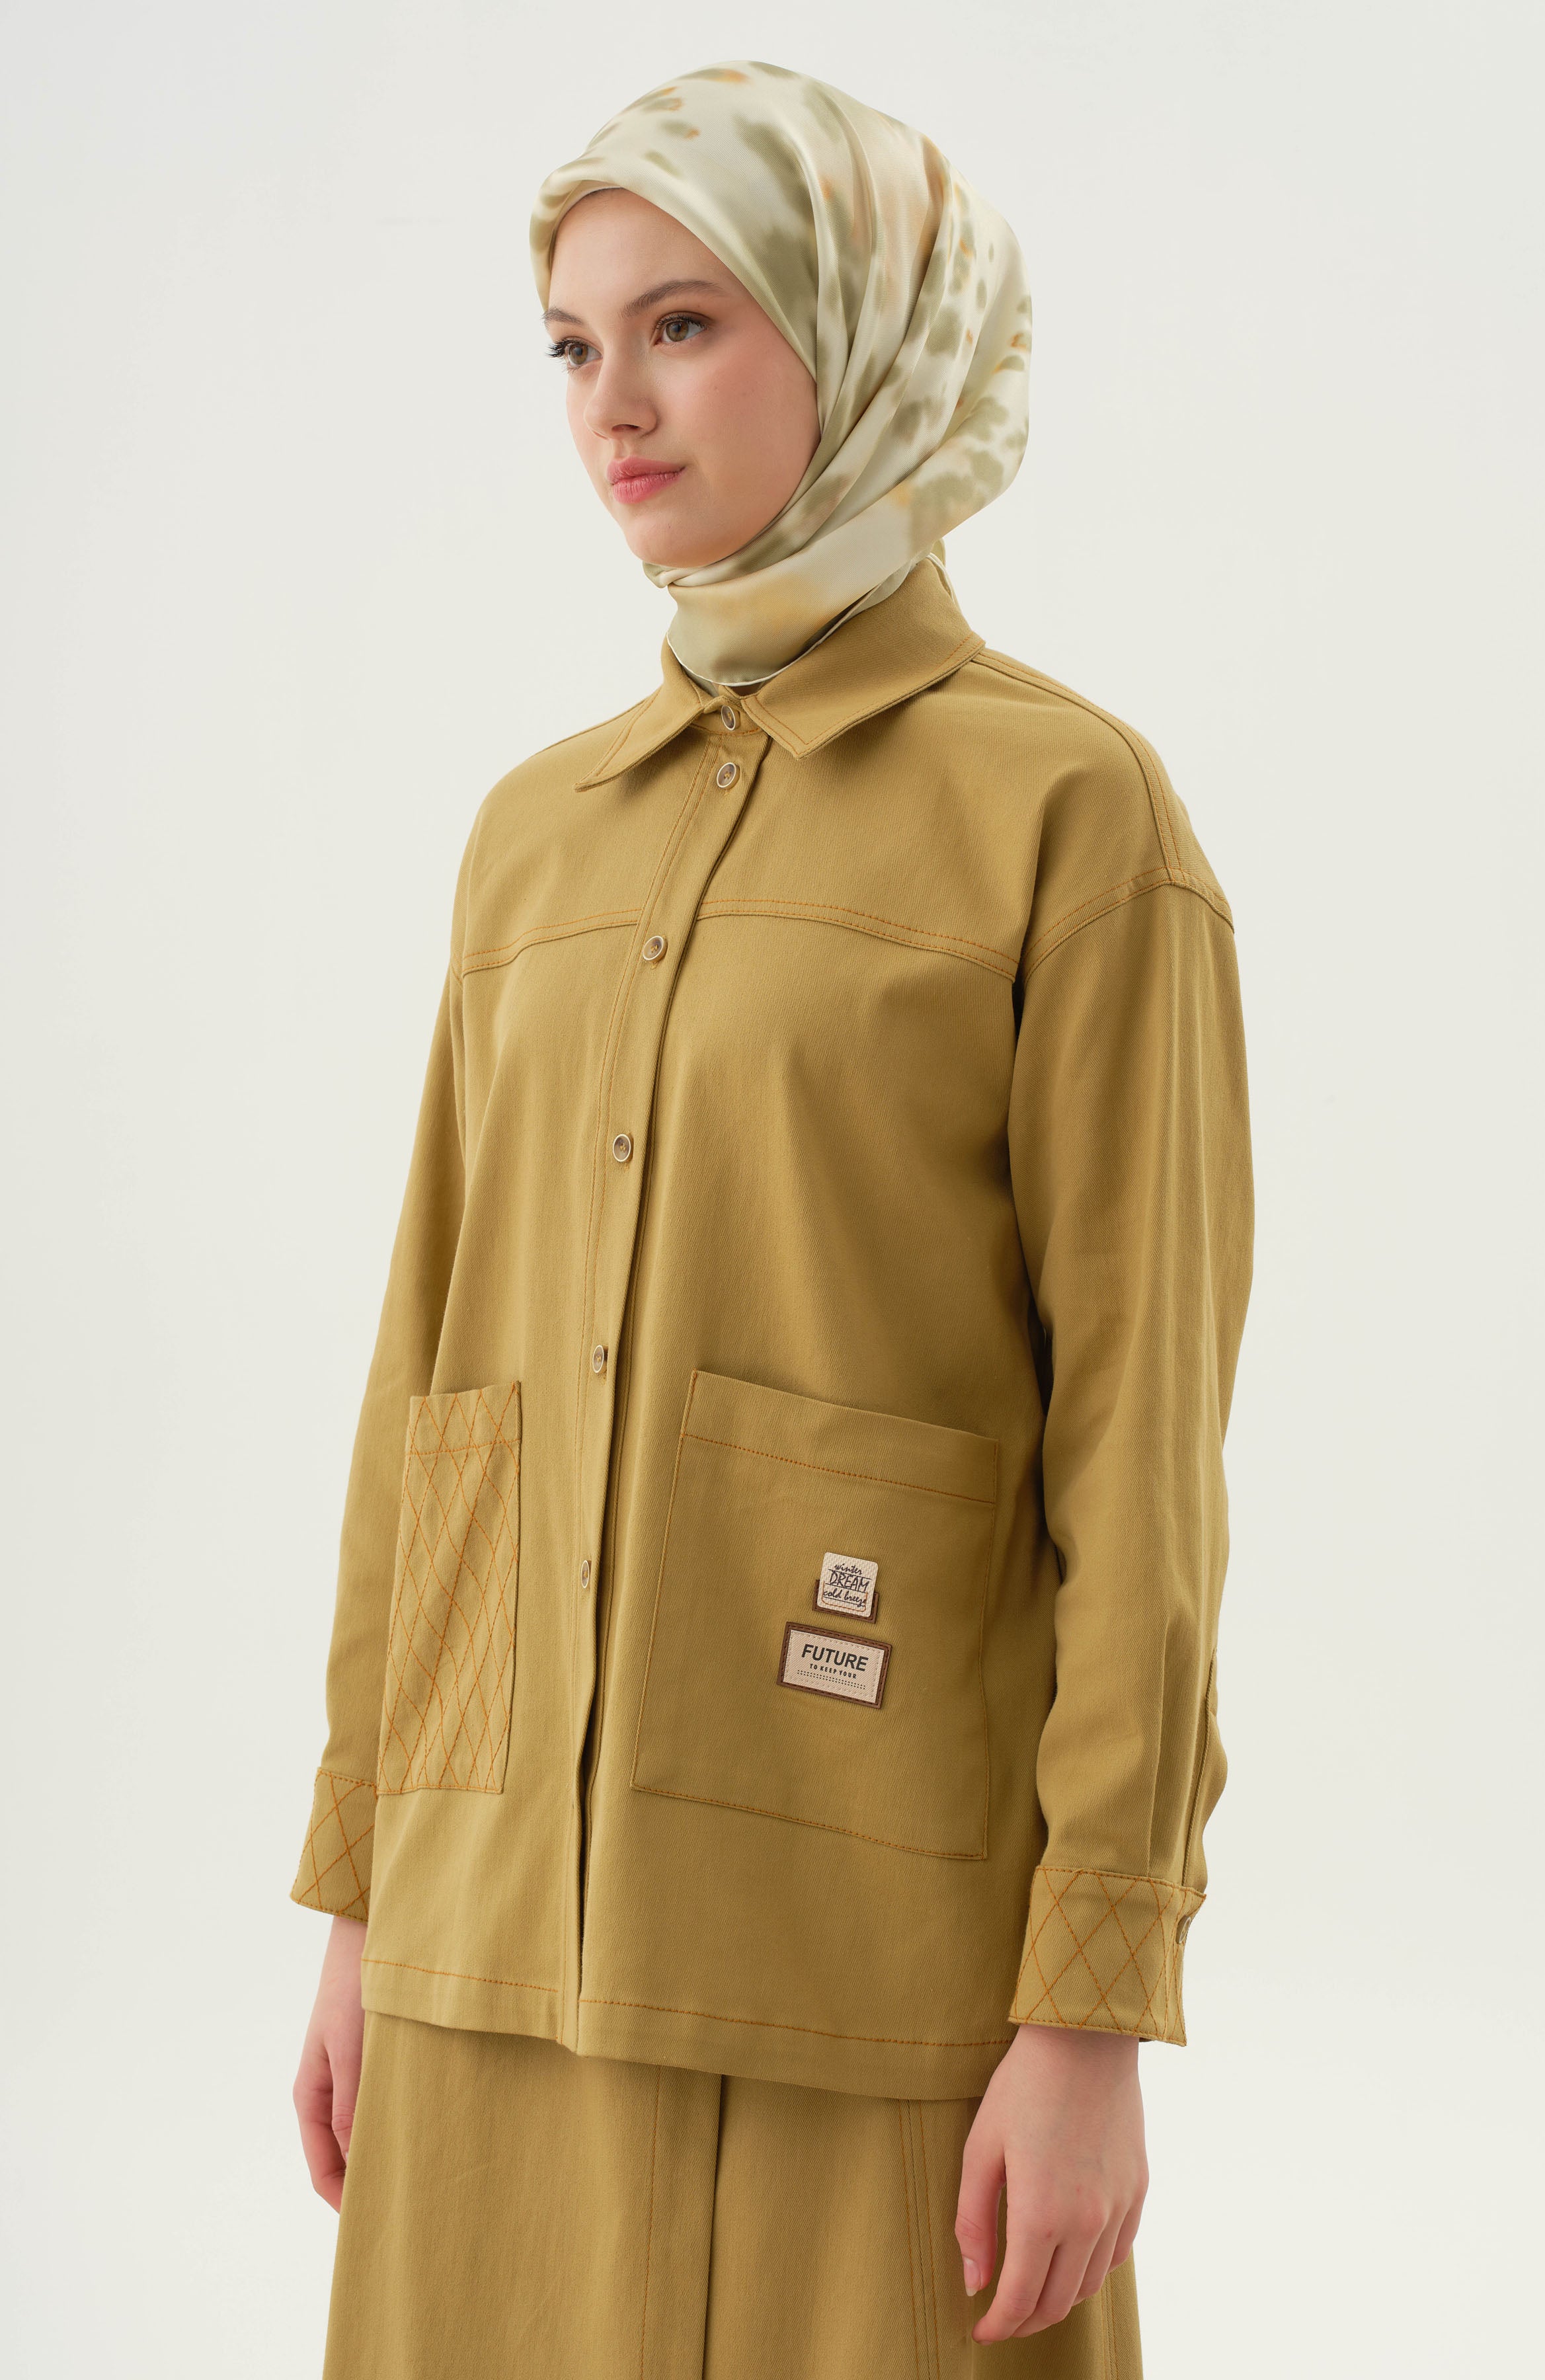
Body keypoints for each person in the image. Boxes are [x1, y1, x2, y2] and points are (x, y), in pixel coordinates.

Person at [289, 57, 1254, 2380]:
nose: (611, 405)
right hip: (496, 1939)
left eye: (685, 325)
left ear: (860, 327)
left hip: (877, 1961)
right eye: (571, 343)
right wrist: (365, 1898)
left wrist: (1092, 2005)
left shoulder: (1069, 816)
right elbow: (439, 1396)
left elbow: (1138, 1454)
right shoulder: (537, 839)